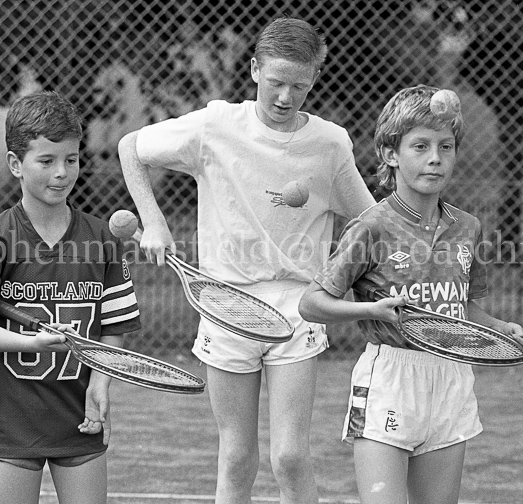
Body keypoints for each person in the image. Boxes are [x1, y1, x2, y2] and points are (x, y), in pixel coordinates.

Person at [118, 17, 375, 504]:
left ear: (315, 79)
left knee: (290, 458)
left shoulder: (330, 144)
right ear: (255, 69)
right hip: (225, 305)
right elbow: (131, 146)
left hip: (297, 307)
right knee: (236, 458)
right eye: (276, 82)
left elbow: (368, 222)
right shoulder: (214, 126)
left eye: (299, 86)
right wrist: (153, 222)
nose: (285, 97)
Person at [298, 85, 523, 504]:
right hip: (391, 378)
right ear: (390, 154)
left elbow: (462, 308)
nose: (435, 158)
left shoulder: (467, 227)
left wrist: (499, 328)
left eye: (446, 146)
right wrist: (371, 310)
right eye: (420, 146)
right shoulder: (371, 227)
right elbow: (311, 303)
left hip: (451, 378)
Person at [0, 90, 141, 504]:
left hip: (80, 415)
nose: (62, 173)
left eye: (72, 159)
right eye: (46, 161)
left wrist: (100, 383)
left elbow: (115, 325)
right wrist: (30, 343)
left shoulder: (102, 238)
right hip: (12, 419)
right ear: (16, 164)